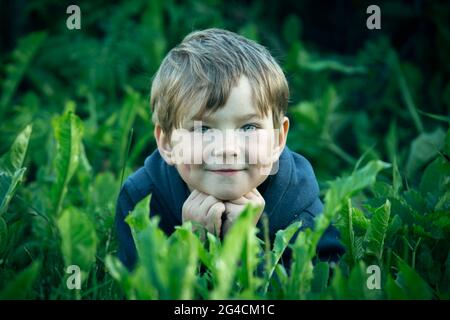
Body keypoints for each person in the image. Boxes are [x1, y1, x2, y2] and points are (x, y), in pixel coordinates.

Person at [116, 28, 344, 270]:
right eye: (203, 129)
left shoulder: (297, 203)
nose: (227, 149)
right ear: (167, 143)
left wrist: (245, 253)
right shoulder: (142, 199)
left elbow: (322, 285)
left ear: (278, 139)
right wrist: (189, 247)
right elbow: (137, 287)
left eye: (248, 127)